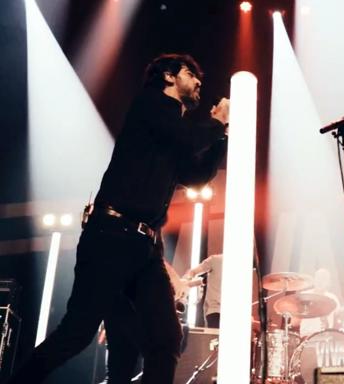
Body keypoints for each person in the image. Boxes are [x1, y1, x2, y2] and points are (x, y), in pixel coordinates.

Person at [8, 53, 229, 384]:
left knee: (165, 339)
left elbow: (195, 176)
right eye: (190, 74)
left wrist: (221, 137)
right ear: (169, 77)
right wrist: (217, 123)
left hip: (145, 248)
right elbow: (187, 137)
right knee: (77, 333)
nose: (199, 82)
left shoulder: (172, 132)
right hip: (111, 236)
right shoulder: (150, 105)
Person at [183, 253, 223, 328]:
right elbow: (193, 272)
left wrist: (186, 281)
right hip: (216, 311)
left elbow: (193, 272)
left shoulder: (216, 260)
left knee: (214, 338)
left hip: (215, 310)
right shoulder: (216, 260)